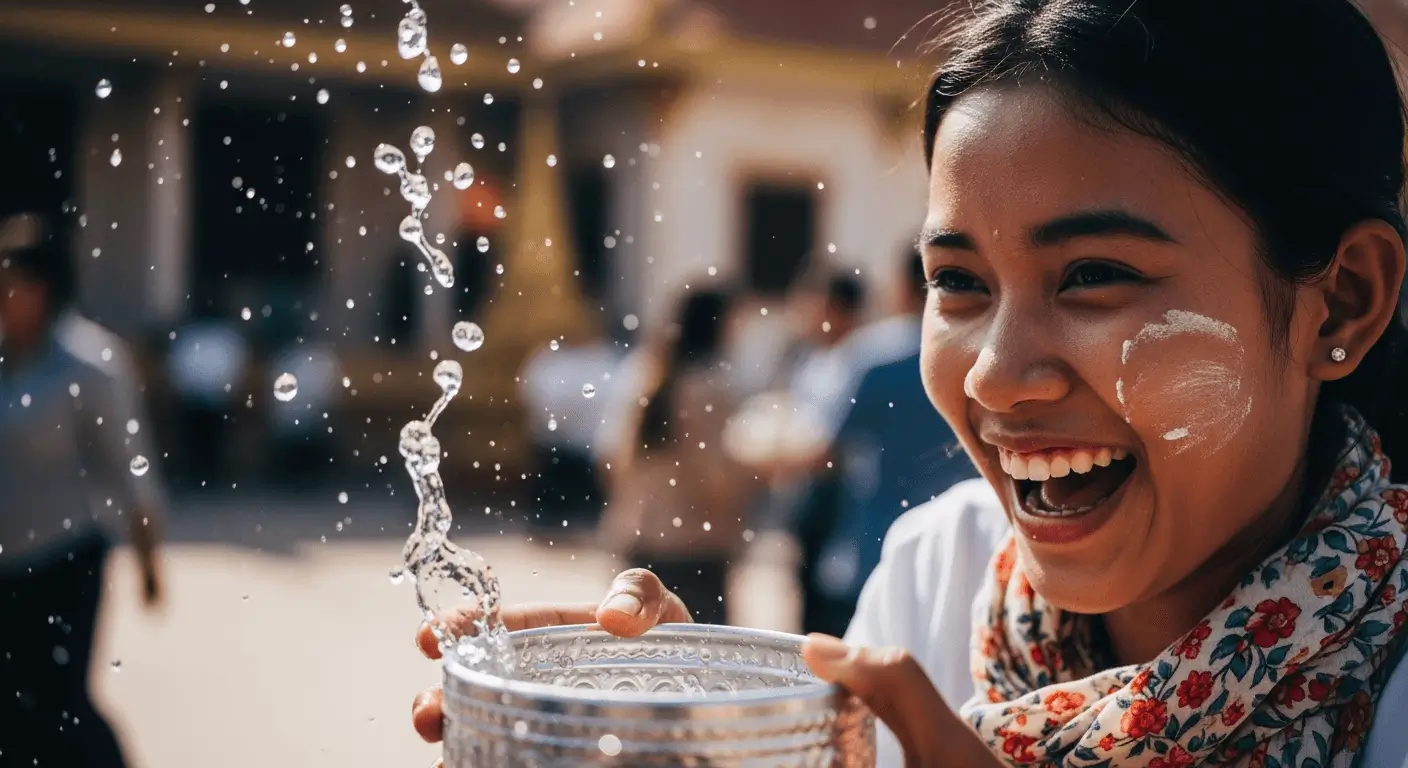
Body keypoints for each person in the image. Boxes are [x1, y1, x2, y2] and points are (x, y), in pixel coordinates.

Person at [409, 1, 1408, 765]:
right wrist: (726, 724)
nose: (997, 375)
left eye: (1096, 276)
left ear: (1345, 303)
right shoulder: (940, 577)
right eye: (959, 284)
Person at [0, 212, 166, 767]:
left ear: (43, 289)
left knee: (57, 704)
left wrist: (148, 562)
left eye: (12, 283)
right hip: (5, 565)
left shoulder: (90, 364)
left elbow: (131, 467)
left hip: (63, 561)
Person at [596, 288, 756, 626]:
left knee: (642, 652)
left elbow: (610, 458)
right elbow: (718, 480)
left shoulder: (643, 375)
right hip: (695, 546)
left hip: (640, 537)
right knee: (699, 661)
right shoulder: (708, 388)